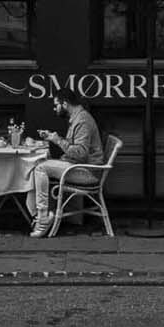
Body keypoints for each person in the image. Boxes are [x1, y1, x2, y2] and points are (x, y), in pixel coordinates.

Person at [29, 88, 104, 237]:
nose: (54, 108)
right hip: (80, 167)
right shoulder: (77, 118)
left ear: (65, 104)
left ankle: (43, 218)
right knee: (40, 164)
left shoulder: (82, 121)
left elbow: (81, 154)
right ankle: (39, 214)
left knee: (40, 168)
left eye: (56, 105)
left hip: (87, 172)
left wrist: (57, 140)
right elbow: (75, 148)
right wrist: (53, 137)